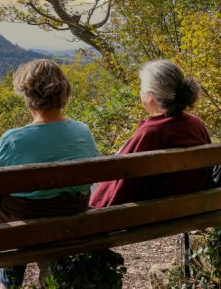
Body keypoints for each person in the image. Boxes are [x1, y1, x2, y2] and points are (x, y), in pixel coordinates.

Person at [0, 59, 99, 289]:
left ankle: (5, 283)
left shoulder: (14, 139)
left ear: (27, 95)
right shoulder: (82, 131)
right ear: (64, 92)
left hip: (21, 228)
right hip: (71, 219)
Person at [90, 59, 211, 208]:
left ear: (150, 95)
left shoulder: (152, 132)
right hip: (191, 207)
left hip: (152, 214)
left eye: (141, 88)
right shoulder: (195, 123)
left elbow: (123, 187)